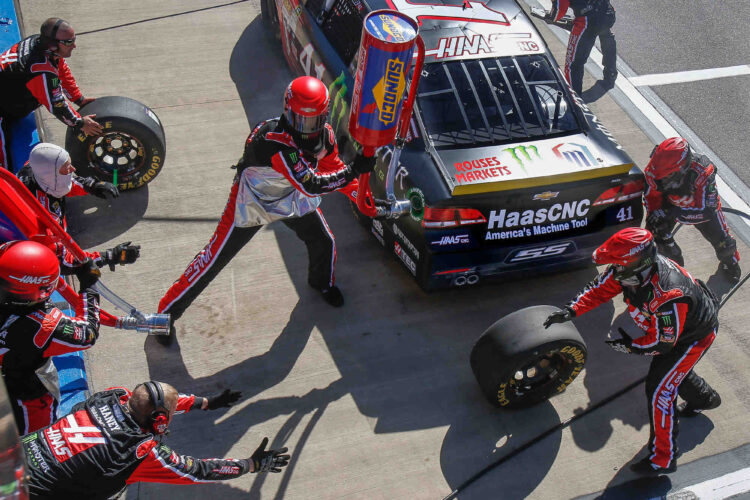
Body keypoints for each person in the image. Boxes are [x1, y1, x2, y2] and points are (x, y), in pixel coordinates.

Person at [157, 76, 374, 343]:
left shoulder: (326, 136)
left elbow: (331, 169)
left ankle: (321, 283)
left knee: (323, 240)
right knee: (213, 260)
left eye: (314, 121)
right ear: (287, 112)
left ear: (324, 116)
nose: (307, 129)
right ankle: (164, 316)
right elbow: (312, 184)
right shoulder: (277, 143)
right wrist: (355, 169)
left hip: (290, 195)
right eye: (300, 120)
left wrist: (360, 195)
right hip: (252, 200)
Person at [544, 228, 721, 474]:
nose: (613, 268)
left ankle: (663, 459)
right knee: (673, 374)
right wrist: (571, 310)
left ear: (636, 261)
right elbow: (600, 289)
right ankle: (705, 399)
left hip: (691, 338)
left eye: (617, 263)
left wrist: (630, 346)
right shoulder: (630, 270)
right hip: (672, 332)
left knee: (660, 390)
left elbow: (662, 344)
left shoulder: (668, 295)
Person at [21, 381, 290, 499]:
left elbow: (153, 401)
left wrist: (206, 403)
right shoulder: (139, 452)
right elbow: (198, 471)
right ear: (160, 419)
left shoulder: (111, 396)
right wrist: (252, 465)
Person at [0, 240, 104, 434]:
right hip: (24, 399)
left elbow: (29, 267)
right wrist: (89, 288)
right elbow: (87, 333)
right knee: (35, 442)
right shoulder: (42, 325)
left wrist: (106, 257)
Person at [17, 142, 140, 275]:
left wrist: (91, 185)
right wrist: (109, 257)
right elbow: (63, 263)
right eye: (66, 167)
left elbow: (62, 183)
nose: (73, 169)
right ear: (51, 174)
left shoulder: (33, 169)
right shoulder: (44, 221)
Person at [0, 17, 102, 170]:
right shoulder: (39, 71)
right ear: (53, 45)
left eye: (74, 39)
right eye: (68, 42)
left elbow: (61, 70)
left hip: (7, 96)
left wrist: (78, 99)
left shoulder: (40, 45)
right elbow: (57, 104)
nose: (74, 45)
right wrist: (80, 123)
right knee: (6, 165)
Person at [644, 137, 741, 283]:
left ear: (682, 169)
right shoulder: (653, 170)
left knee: (725, 245)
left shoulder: (703, 171)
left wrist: (674, 213)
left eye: (667, 175)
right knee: (655, 236)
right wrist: (656, 219)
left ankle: (731, 262)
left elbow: (707, 211)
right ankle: (667, 268)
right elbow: (650, 198)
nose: (659, 179)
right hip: (669, 206)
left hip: (700, 209)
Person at [539, 0, 617, 94]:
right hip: (607, 12)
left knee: (573, 63)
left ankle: (574, 98)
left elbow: (558, 12)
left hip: (587, 22)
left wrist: (550, 17)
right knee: (606, 36)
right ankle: (611, 72)